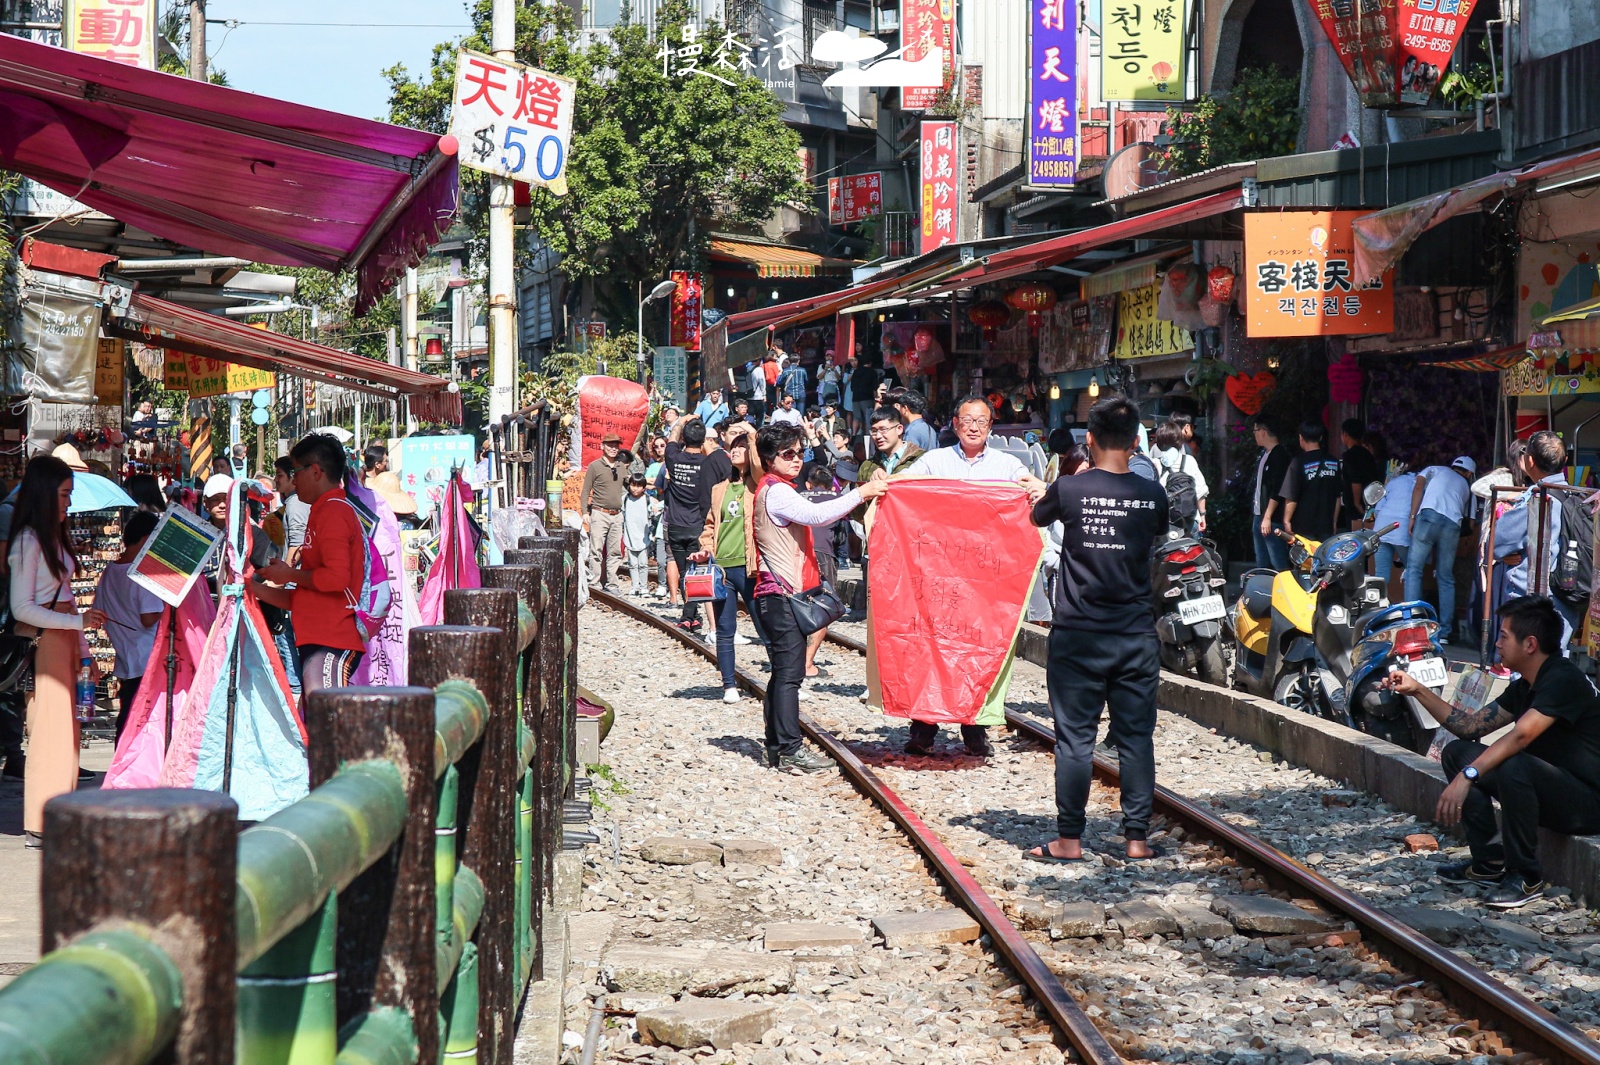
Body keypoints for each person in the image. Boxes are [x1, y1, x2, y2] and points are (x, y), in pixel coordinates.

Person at [1385, 595, 1600, 909]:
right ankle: (1489, 863)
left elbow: (1521, 736)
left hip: (1587, 803)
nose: (1497, 644)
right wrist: (1417, 689)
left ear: (1530, 644)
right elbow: (1471, 727)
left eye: (1503, 636)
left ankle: (1525, 876)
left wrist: (1467, 777)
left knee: (1514, 765)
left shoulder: (1562, 678)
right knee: (1458, 752)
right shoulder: (1526, 684)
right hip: (1549, 789)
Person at [1025, 396, 1168, 865]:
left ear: (1089, 439)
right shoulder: (1154, 495)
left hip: (1078, 635)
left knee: (1074, 740)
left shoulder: (1069, 489)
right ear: (1135, 443)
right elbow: (1157, 535)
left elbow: (1036, 516)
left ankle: (1069, 840)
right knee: (1135, 739)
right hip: (1134, 636)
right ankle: (1136, 840)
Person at [903, 396, 1047, 757]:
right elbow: (902, 490)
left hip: (986, 583)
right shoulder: (933, 461)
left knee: (981, 650)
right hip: (938, 578)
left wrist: (1037, 490)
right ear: (954, 423)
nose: (973, 427)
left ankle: (975, 727)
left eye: (981, 422)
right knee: (931, 648)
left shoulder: (1007, 464)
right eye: (967, 420)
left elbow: (1029, 493)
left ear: (990, 426)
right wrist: (882, 482)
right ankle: (924, 725)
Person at [752, 423, 888, 773]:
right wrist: (863, 492)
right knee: (788, 675)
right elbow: (818, 514)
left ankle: (778, 746)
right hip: (780, 595)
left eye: (799, 453)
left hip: (776, 594)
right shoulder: (777, 492)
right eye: (788, 454)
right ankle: (789, 749)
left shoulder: (775, 488)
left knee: (783, 673)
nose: (797, 460)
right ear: (770, 459)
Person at [10, 455, 109, 848]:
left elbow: (64, 598)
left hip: (65, 640)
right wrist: (76, 627)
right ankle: (41, 819)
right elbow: (23, 608)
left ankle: (58, 814)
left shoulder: (52, 538)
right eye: (65, 494)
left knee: (69, 732)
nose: (69, 503)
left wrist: (84, 650)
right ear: (45, 493)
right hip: (47, 642)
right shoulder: (28, 540)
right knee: (50, 731)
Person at [256, 435, 367, 698]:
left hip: (332, 641)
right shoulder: (322, 510)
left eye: (296, 472)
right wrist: (252, 588)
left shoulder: (333, 511)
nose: (293, 481)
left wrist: (289, 574)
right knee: (322, 723)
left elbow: (336, 578)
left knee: (327, 720)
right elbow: (303, 597)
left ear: (315, 471)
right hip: (320, 640)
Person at [692, 422, 767, 702]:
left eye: (741, 447)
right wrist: (705, 550)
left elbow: (759, 462)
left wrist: (749, 431)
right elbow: (710, 527)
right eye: (732, 447)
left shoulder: (757, 484)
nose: (735, 451)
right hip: (722, 568)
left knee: (765, 627)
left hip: (750, 567)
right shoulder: (719, 489)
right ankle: (728, 685)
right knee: (725, 630)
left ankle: (787, 682)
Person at [1495, 431, 1572, 643]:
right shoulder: (1577, 496)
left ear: (1529, 461)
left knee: (1526, 666)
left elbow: (1498, 540)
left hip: (1531, 601)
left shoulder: (1538, 500)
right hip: (1569, 600)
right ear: (1565, 461)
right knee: (1556, 664)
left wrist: (1508, 553)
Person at [93, 511, 162, 745]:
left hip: (124, 657)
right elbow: (149, 617)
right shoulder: (142, 573)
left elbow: (100, 611)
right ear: (146, 540)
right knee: (141, 717)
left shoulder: (110, 571)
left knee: (128, 713)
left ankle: (121, 760)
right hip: (146, 658)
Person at [663, 418, 733, 631]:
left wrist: (678, 424)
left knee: (686, 571)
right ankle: (692, 615)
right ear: (704, 440)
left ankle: (689, 615)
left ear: (685, 438)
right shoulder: (707, 463)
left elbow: (671, 440)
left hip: (675, 524)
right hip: (698, 524)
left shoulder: (673, 458)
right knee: (696, 572)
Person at [1404, 455, 1476, 643]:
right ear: (1469, 473)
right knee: (1445, 577)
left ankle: (1411, 625)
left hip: (1429, 516)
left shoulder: (1435, 469)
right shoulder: (1468, 487)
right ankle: (1444, 632)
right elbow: (1471, 521)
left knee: (1414, 570)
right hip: (1452, 524)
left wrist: (1412, 516)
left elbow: (1418, 486)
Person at [580, 432, 628, 592]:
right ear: (602, 446)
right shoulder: (595, 466)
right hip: (599, 512)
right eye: (610, 445)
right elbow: (586, 490)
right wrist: (585, 512)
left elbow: (629, 485)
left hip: (617, 514)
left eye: (616, 446)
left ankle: (612, 583)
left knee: (615, 551)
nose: (613, 449)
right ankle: (594, 582)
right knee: (596, 549)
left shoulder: (621, 466)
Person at [1280, 420, 1343, 542]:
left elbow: (1292, 497)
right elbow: (1337, 496)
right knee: (1324, 559)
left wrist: (1286, 520)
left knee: (1305, 560)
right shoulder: (1333, 462)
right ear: (1320, 437)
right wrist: (1334, 521)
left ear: (1301, 438)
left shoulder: (1298, 462)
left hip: (1303, 526)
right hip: (1326, 525)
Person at [1151, 424, 1208, 535]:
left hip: (1164, 523)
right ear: (1180, 442)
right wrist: (1202, 515)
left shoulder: (1154, 464)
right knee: (1191, 551)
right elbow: (1201, 491)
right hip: (1189, 521)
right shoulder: (1190, 461)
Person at [1252, 416, 1293, 571]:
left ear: (1263, 432)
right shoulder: (1265, 454)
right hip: (1259, 514)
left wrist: (1267, 516)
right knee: (1262, 561)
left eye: (1255, 430)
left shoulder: (1280, 455)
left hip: (1272, 518)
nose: (1254, 434)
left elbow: (1277, 490)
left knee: (1278, 560)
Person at [1371, 466, 1417, 592]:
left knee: (1381, 575)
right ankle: (1410, 607)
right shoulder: (1421, 483)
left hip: (1381, 529)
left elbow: (1378, 509)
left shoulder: (1394, 482)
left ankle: (1377, 607)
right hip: (1402, 529)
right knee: (1412, 571)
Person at [1339, 418, 1381, 528]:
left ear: (1345, 434)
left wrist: (1356, 503)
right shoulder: (1368, 454)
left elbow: (1355, 480)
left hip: (1356, 507)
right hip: (1371, 502)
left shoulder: (1349, 455)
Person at [621, 474, 653, 598]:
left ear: (644, 488)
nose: (635, 488)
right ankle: (635, 586)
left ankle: (644, 587)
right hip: (630, 535)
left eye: (639, 486)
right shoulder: (625, 498)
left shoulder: (647, 499)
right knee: (633, 564)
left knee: (643, 563)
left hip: (644, 536)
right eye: (633, 485)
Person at [889, 387, 939, 452]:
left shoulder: (912, 431)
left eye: (900, 407)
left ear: (905, 408)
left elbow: (908, 456)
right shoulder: (930, 429)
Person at [851, 358, 881, 436]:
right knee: (868, 417)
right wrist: (876, 399)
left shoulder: (856, 371)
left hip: (855, 398)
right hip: (867, 398)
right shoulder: (872, 372)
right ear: (870, 363)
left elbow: (852, 387)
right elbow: (875, 388)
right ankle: (868, 435)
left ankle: (854, 435)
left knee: (856, 417)